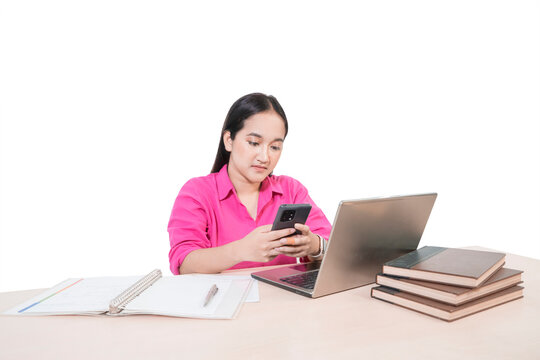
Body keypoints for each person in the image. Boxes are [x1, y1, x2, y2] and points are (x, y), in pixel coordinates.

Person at [168, 93, 332, 275]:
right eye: (254, 143)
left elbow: (335, 248)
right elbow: (184, 263)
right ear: (229, 140)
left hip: (283, 299)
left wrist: (314, 245)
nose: (265, 157)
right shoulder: (197, 192)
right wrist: (241, 250)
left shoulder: (291, 190)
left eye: (275, 147)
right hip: (223, 300)